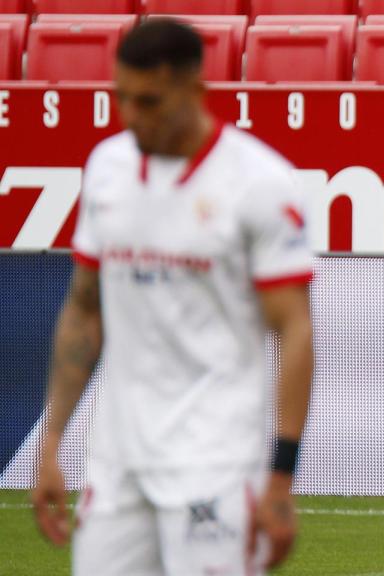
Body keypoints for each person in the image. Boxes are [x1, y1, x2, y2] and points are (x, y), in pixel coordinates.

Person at [31, 19, 315, 575]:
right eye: (123, 100)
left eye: (150, 102)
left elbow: (296, 330)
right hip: (117, 461)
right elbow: (85, 309)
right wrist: (52, 443)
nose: (133, 116)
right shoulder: (108, 169)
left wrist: (281, 474)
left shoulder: (260, 184)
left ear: (196, 91)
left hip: (215, 461)